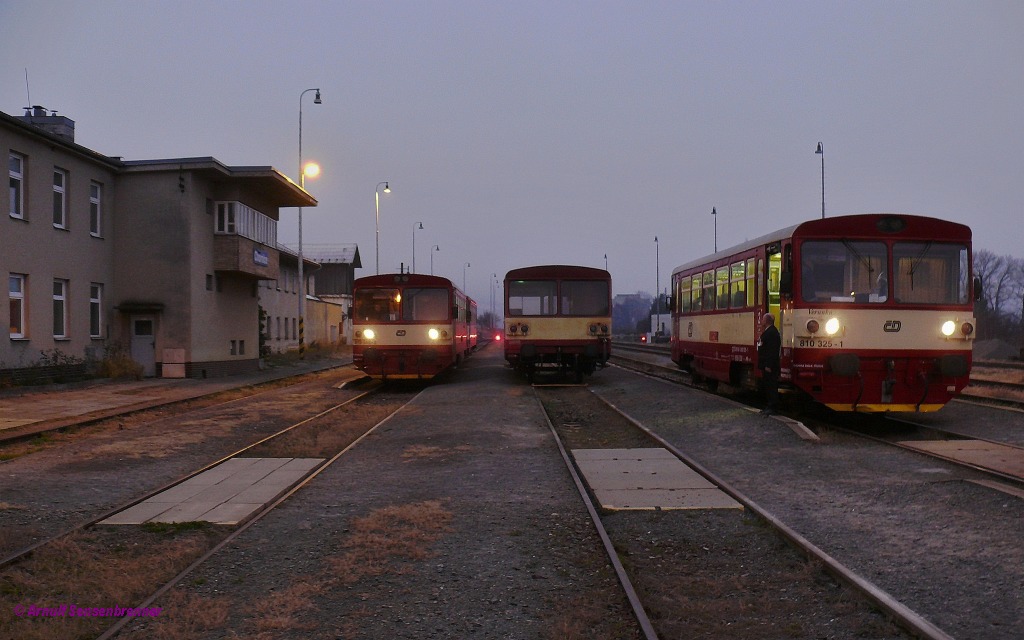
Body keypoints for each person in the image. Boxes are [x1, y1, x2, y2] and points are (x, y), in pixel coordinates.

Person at [757, 313, 781, 416]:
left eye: (763, 320)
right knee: (768, 386)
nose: (761, 321)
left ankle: (773, 407)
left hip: (769, 366)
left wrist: (768, 365)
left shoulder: (772, 333)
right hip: (766, 365)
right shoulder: (770, 332)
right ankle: (769, 406)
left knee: (771, 386)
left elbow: (772, 351)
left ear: (766, 321)